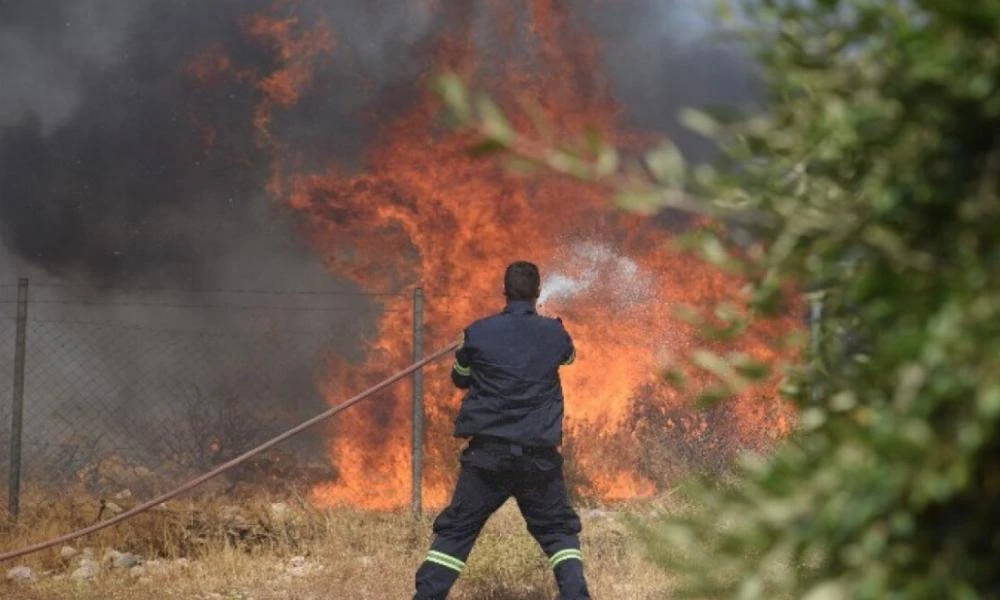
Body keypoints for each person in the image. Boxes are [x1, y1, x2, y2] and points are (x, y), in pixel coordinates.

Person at [413, 261, 591, 600]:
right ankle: (575, 595)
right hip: (538, 458)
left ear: (504, 291)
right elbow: (568, 358)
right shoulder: (554, 332)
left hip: (487, 458)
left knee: (456, 533)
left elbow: (460, 378)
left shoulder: (477, 333)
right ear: (538, 292)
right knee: (558, 532)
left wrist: (465, 350)